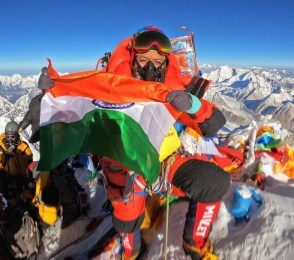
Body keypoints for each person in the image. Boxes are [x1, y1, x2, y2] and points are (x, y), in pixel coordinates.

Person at [39, 26, 230, 260]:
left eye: (157, 60)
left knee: (214, 182)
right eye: (143, 59)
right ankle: (132, 252)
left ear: (166, 63)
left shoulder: (169, 91)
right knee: (127, 224)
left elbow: (212, 124)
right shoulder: (108, 88)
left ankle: (194, 244)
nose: (151, 66)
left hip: (163, 161)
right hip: (125, 171)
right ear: (131, 59)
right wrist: (53, 92)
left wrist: (195, 106)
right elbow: (79, 103)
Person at [18, 68, 54, 143]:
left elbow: (30, 116)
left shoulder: (37, 100)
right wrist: (21, 127)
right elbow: (30, 115)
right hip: (43, 136)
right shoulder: (37, 100)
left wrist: (21, 127)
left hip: (47, 136)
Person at [0, 121, 33, 199]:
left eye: (12, 136)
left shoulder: (23, 146)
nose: (10, 139)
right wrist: (6, 180)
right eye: (8, 137)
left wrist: (30, 174)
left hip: (25, 179)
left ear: (17, 135)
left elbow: (30, 160)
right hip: (10, 182)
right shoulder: (2, 149)